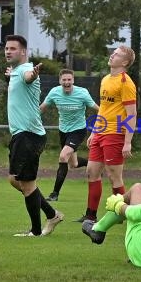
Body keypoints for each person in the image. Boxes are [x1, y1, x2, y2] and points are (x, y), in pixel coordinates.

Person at [4, 34, 64, 237]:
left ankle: (36, 232)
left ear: (23, 52)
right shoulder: (15, 72)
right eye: (6, 48)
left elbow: (29, 76)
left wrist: (34, 74)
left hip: (29, 135)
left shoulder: (26, 70)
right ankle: (52, 214)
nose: (8, 51)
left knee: (27, 184)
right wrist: (10, 75)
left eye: (13, 48)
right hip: (20, 135)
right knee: (14, 180)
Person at [77, 45, 137, 222]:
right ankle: (90, 215)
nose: (112, 55)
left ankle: (123, 215)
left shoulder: (126, 83)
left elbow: (132, 114)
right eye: (113, 52)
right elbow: (103, 109)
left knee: (113, 176)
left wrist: (128, 142)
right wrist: (94, 131)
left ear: (125, 62)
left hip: (116, 133)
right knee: (91, 171)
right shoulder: (105, 79)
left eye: (117, 54)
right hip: (101, 132)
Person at [40, 69, 100, 201]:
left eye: (69, 80)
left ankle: (54, 194)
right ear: (60, 81)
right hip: (63, 131)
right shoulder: (54, 92)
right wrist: (30, 119)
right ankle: (94, 162)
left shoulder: (82, 93)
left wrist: (98, 128)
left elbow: (99, 110)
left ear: (73, 80)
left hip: (78, 130)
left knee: (63, 156)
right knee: (73, 164)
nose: (67, 82)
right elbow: (42, 108)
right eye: (64, 80)